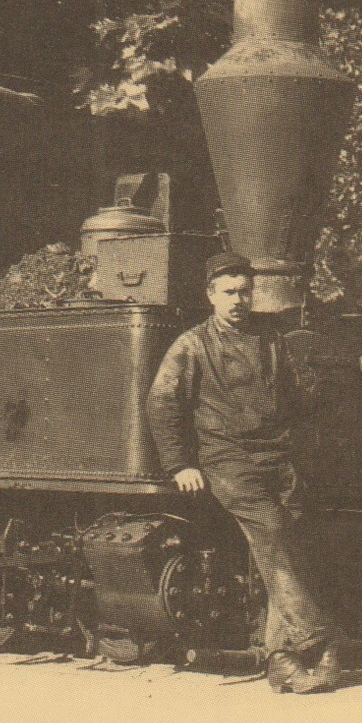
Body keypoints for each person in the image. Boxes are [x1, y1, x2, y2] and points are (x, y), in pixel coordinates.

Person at [146, 252, 342, 694]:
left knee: (284, 547)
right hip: (228, 460)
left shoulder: (271, 339)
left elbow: (299, 394)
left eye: (245, 292)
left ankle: (281, 660)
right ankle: (320, 642)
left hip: (278, 458)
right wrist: (181, 463)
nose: (238, 300)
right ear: (210, 296)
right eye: (229, 292)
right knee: (273, 534)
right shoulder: (193, 345)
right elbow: (162, 403)